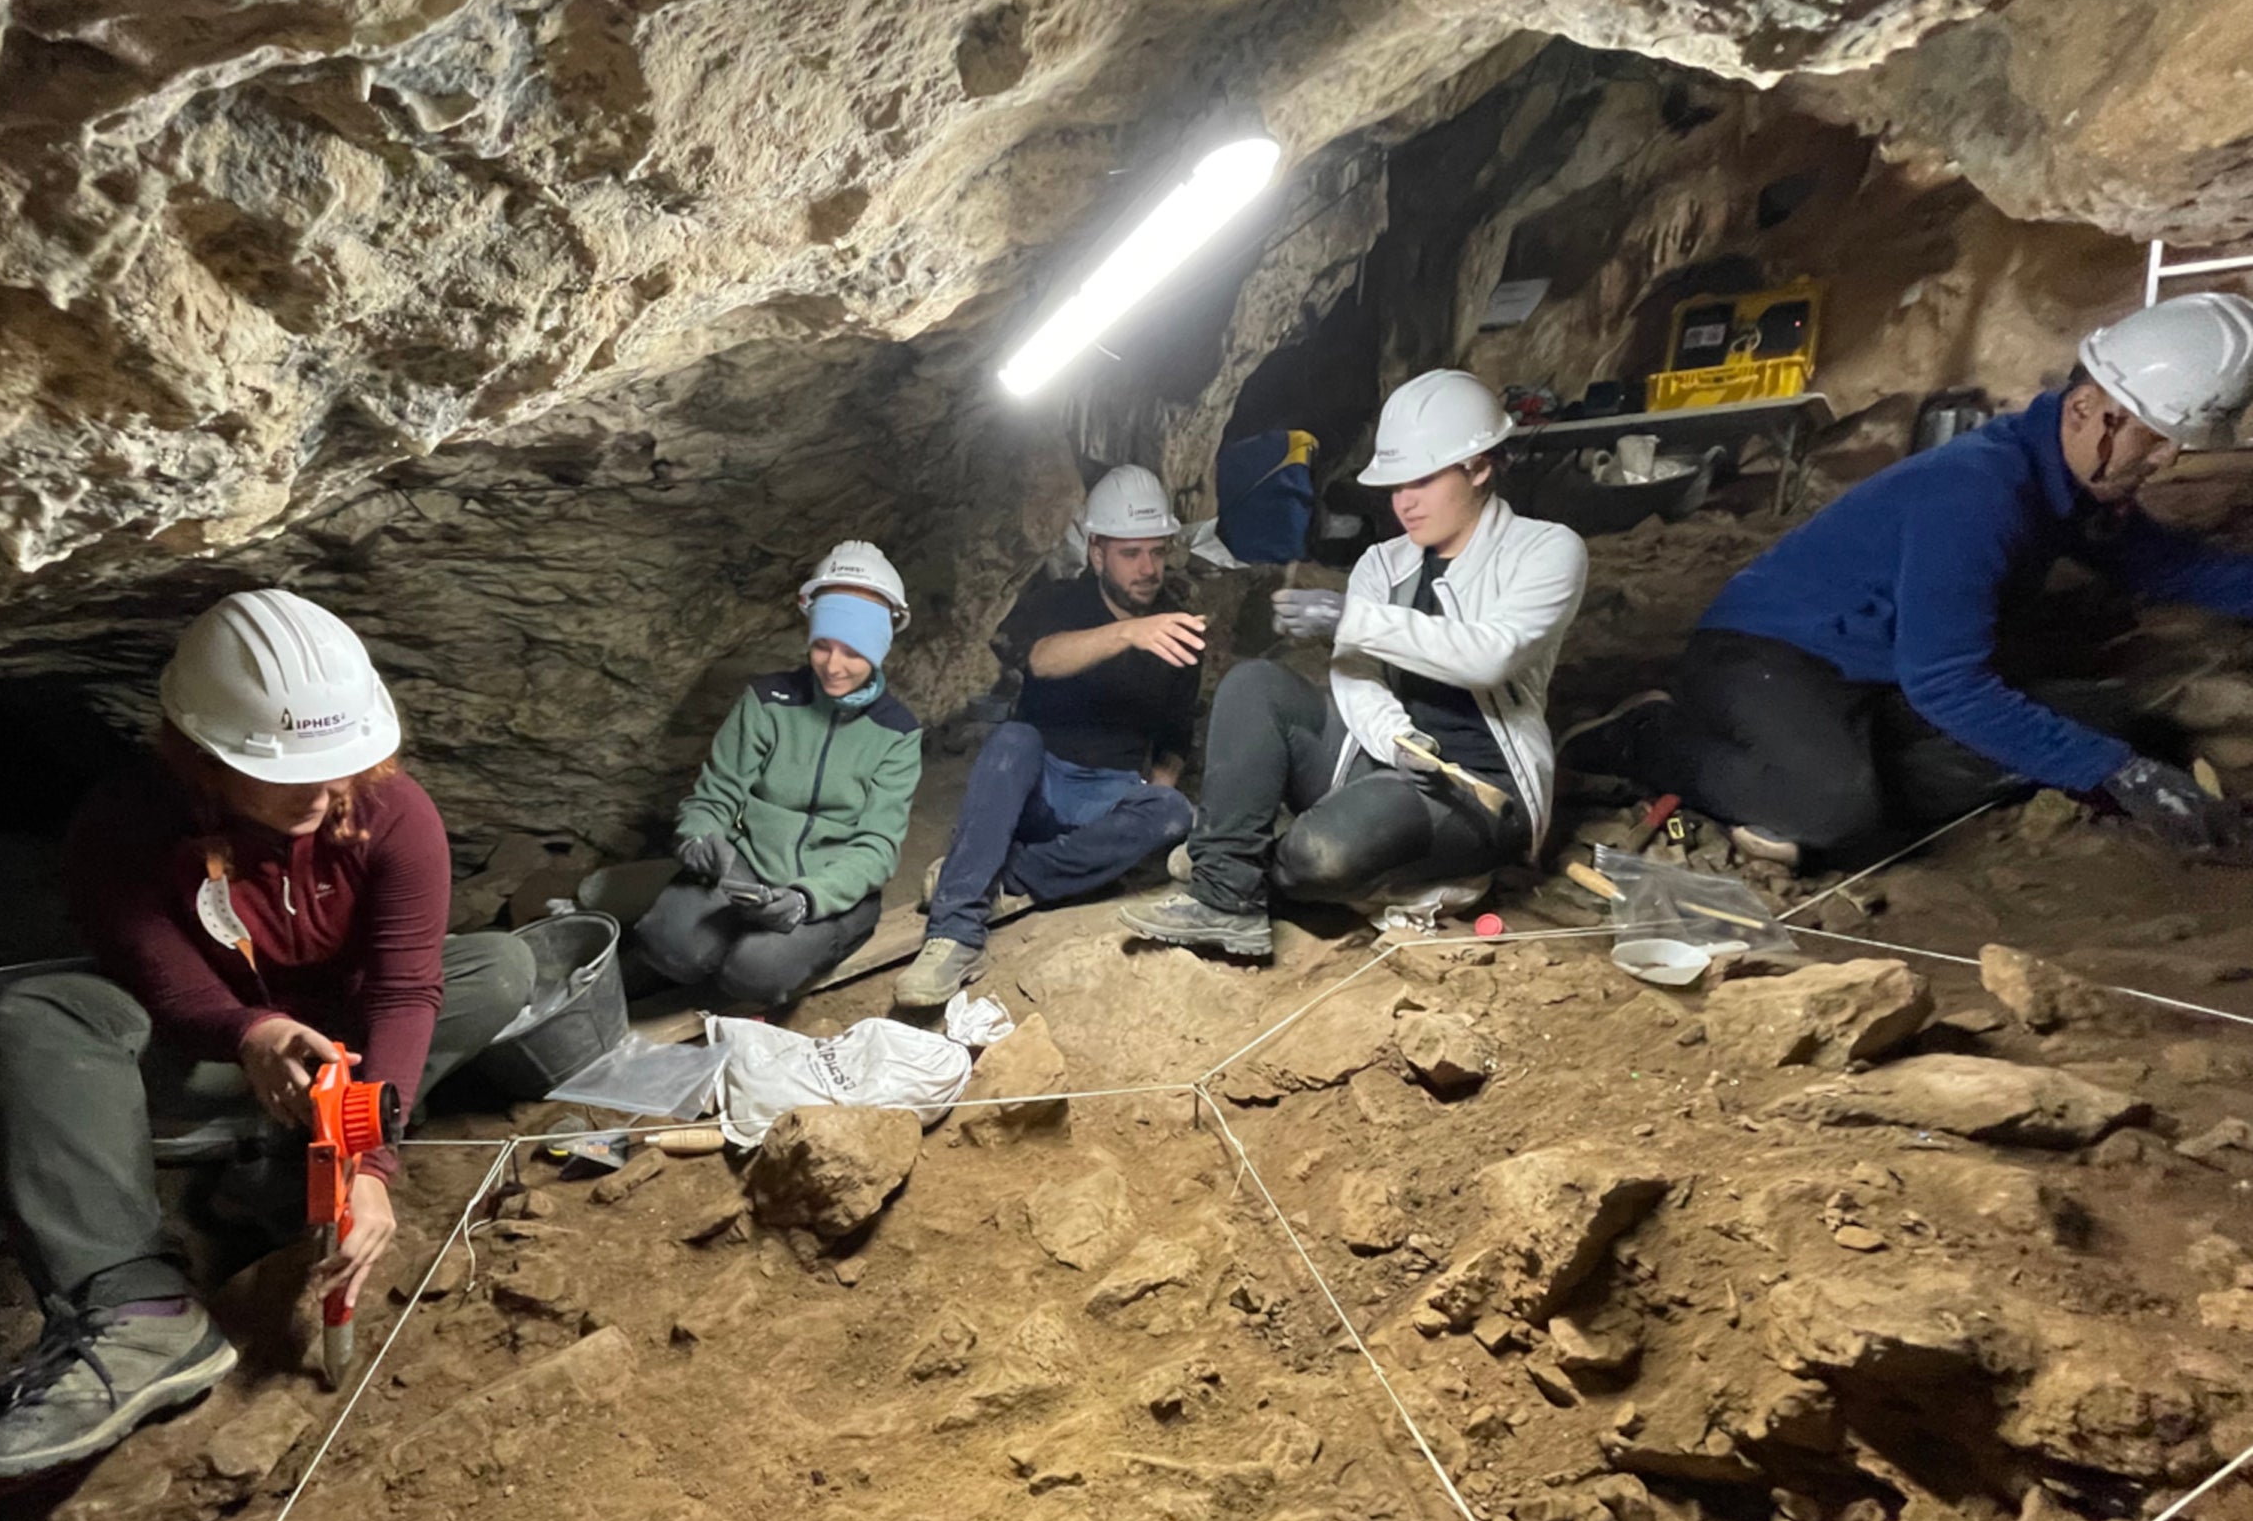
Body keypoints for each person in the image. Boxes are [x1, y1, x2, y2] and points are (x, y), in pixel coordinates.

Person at [0, 590, 534, 1481]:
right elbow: (166, 981)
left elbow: (404, 986)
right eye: (287, 768)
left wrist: (367, 1161)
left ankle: (297, 1146)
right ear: (203, 755)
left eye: (338, 764)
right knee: (44, 1012)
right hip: (205, 1057)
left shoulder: (391, 812)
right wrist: (250, 1032)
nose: (322, 790)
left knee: (499, 968)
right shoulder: (123, 827)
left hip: (338, 1055)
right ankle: (141, 1313)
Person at [1560, 293, 2253, 868]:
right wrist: (2117, 774)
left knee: (2110, 721)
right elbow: (1948, 683)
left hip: (1879, 671)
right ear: (2086, 411)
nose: (2166, 459)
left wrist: (2114, 761)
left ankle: (1825, 777)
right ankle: (1644, 735)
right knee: (1832, 809)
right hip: (1767, 653)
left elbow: (2169, 565)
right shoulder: (1980, 493)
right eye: (2156, 437)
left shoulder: (2069, 482)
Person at [1120, 370, 1587, 959]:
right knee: (1255, 684)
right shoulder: (1381, 563)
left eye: (1421, 481)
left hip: (1480, 790)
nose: (1403, 502)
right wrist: (1397, 741)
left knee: (1321, 855)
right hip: (1384, 758)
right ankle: (1225, 896)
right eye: (1395, 485)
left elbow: (1490, 655)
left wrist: (1353, 618)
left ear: (1478, 468)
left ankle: (1246, 858)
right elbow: (1356, 677)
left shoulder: (1546, 550)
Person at [896, 467, 1201, 1006]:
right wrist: (1128, 633)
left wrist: (1145, 821)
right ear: (1097, 553)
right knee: (1013, 740)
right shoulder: (1060, 601)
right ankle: (955, 933)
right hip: (1042, 782)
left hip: (1108, 795)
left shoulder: (1175, 628)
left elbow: (1173, 739)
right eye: (1131, 553)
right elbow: (1041, 658)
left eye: (1157, 552)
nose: (1148, 568)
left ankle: (994, 874)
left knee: (1173, 812)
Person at [634, 541, 923, 1005]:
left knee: (754, 971)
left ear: (880, 647)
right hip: (746, 872)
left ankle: (774, 949)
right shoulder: (767, 701)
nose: (833, 665)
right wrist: (700, 836)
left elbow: (876, 846)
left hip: (831, 886)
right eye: (822, 645)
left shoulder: (897, 732)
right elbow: (714, 797)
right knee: (667, 944)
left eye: (853, 651)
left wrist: (807, 899)